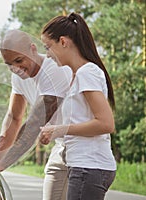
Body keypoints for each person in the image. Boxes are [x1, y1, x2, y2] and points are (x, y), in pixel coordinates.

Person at [0, 29, 71, 200]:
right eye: (9, 64)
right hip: (61, 145)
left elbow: (35, 122)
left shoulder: (53, 70)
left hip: (83, 146)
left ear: (33, 49)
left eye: (19, 60)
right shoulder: (18, 77)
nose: (15, 69)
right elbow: (14, 117)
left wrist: (5, 160)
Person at [39, 12, 116, 200]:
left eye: (49, 47)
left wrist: (61, 129)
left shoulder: (86, 73)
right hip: (85, 167)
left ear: (63, 42)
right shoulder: (78, 75)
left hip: (88, 168)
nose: (48, 55)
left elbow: (106, 124)